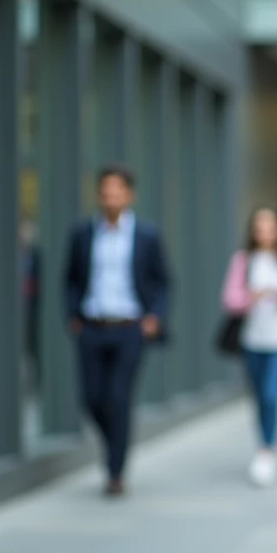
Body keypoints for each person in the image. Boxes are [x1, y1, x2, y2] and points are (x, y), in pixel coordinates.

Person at [64, 165, 171, 497]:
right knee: (92, 399)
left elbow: (163, 280)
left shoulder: (147, 235)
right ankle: (116, 445)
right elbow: (70, 278)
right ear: (99, 195)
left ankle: (115, 471)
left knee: (119, 397)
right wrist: (73, 315)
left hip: (130, 328)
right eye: (105, 191)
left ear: (129, 195)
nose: (110, 197)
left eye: (117, 191)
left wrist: (154, 317)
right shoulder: (82, 234)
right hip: (93, 327)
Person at [220, 207, 277, 488]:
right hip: (253, 340)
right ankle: (263, 442)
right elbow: (229, 300)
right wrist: (251, 297)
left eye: (269, 226)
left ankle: (267, 451)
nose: (264, 231)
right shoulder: (243, 260)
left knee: (272, 394)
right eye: (259, 226)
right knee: (259, 396)